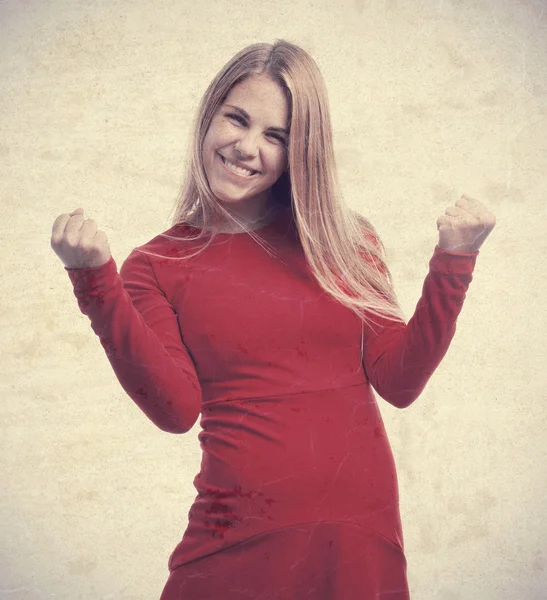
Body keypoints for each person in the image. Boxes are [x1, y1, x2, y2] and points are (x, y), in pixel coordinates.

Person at [50, 40, 496, 599]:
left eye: (276, 136)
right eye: (236, 119)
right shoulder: (157, 264)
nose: (246, 146)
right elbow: (175, 410)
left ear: (300, 150)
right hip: (232, 539)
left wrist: (454, 261)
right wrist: (95, 281)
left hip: (357, 535)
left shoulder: (344, 240)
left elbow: (399, 381)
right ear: (209, 116)